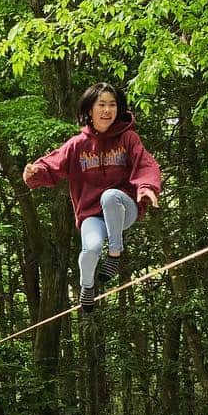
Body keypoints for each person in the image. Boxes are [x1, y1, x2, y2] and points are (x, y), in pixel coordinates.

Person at [23, 83, 162, 313]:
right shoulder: (77, 145)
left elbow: (146, 163)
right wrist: (34, 172)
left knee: (110, 197)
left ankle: (115, 254)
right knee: (90, 249)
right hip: (92, 215)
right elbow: (53, 164)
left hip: (123, 208)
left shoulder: (129, 138)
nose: (107, 110)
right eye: (102, 105)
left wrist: (147, 188)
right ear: (90, 110)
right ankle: (87, 287)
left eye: (112, 105)